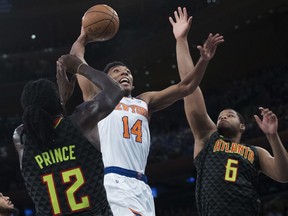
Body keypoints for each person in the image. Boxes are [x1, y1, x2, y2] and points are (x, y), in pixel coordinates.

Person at [60, 11, 224, 215]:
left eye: (127, 71)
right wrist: (83, 37)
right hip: (114, 181)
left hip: (142, 186)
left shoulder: (144, 101)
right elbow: (77, 60)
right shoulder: (98, 99)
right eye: (117, 72)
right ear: (106, 81)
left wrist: (201, 58)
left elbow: (187, 86)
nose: (124, 74)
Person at [170, 7, 288, 216]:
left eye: (230, 114)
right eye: (220, 116)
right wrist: (181, 40)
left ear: (242, 126)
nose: (223, 116)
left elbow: (284, 174)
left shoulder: (255, 153)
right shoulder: (208, 138)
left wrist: (272, 136)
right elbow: (189, 88)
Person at [13, 54, 124, 215]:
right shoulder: (81, 122)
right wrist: (79, 67)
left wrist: (59, 101)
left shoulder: (20, 138)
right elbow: (115, 91)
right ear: (55, 101)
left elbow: (43, 122)